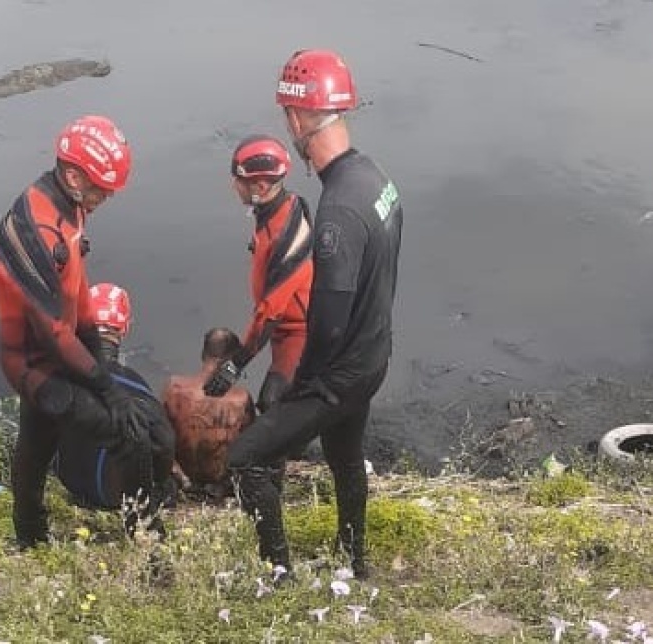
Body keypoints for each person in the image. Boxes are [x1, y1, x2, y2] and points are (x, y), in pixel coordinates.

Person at [227, 49, 404, 579]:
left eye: (288, 116)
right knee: (346, 456)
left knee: (248, 459)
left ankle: (278, 577)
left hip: (340, 372)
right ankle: (355, 561)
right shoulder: (376, 179)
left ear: (297, 119)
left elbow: (325, 324)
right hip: (374, 356)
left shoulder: (336, 214)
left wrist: (301, 390)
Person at [0, 114, 150, 549]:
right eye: (102, 189)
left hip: (55, 350)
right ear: (75, 175)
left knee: (38, 440)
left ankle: (29, 537)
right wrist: (106, 387)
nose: (105, 198)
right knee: (125, 434)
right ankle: (144, 539)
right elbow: (54, 334)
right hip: (31, 362)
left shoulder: (69, 207)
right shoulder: (37, 230)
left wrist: (99, 359)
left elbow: (77, 293)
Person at [52, 283, 176, 536]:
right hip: (115, 495)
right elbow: (165, 442)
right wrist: (162, 483)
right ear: (125, 328)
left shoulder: (60, 377)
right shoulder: (135, 385)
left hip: (72, 484)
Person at [203, 136, 313, 413]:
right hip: (283, 325)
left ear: (261, 187)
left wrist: (235, 364)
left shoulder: (286, 238)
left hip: (299, 331)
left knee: (272, 403)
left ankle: (289, 453)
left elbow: (269, 314)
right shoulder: (275, 210)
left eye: (239, 180)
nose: (233, 185)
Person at [163, 328, 255, 496]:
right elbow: (253, 449)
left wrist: (183, 480)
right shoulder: (241, 399)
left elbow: (158, 441)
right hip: (221, 488)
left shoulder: (173, 389)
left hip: (182, 484)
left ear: (203, 354)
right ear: (232, 360)